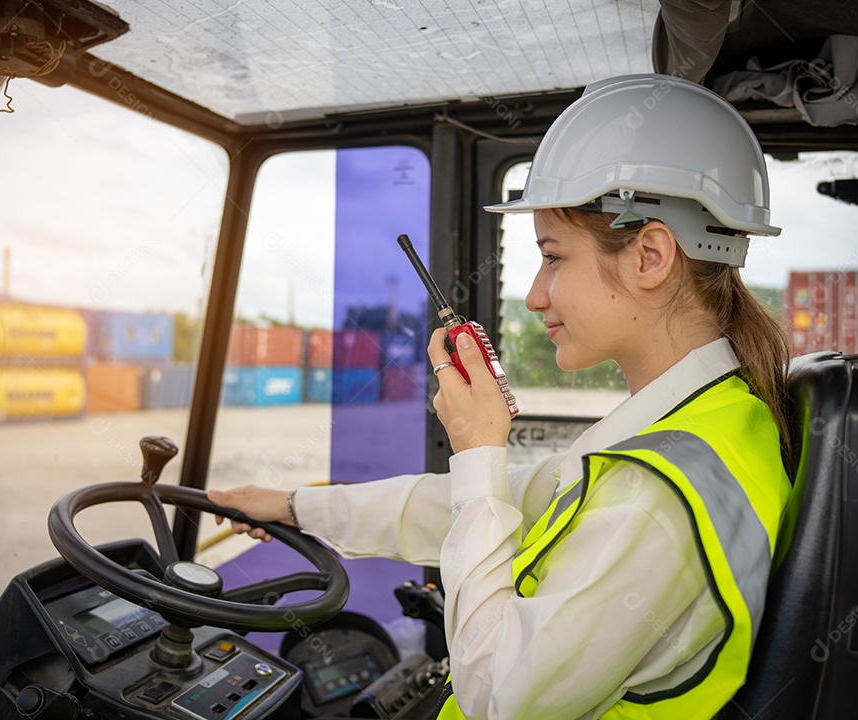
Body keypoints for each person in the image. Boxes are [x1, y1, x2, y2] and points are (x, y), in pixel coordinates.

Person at [208, 74, 793, 720]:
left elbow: (496, 699)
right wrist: (295, 507)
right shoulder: (710, 424)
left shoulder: (656, 495)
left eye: (554, 257)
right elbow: (483, 502)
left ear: (650, 256)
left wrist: (477, 447)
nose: (537, 295)